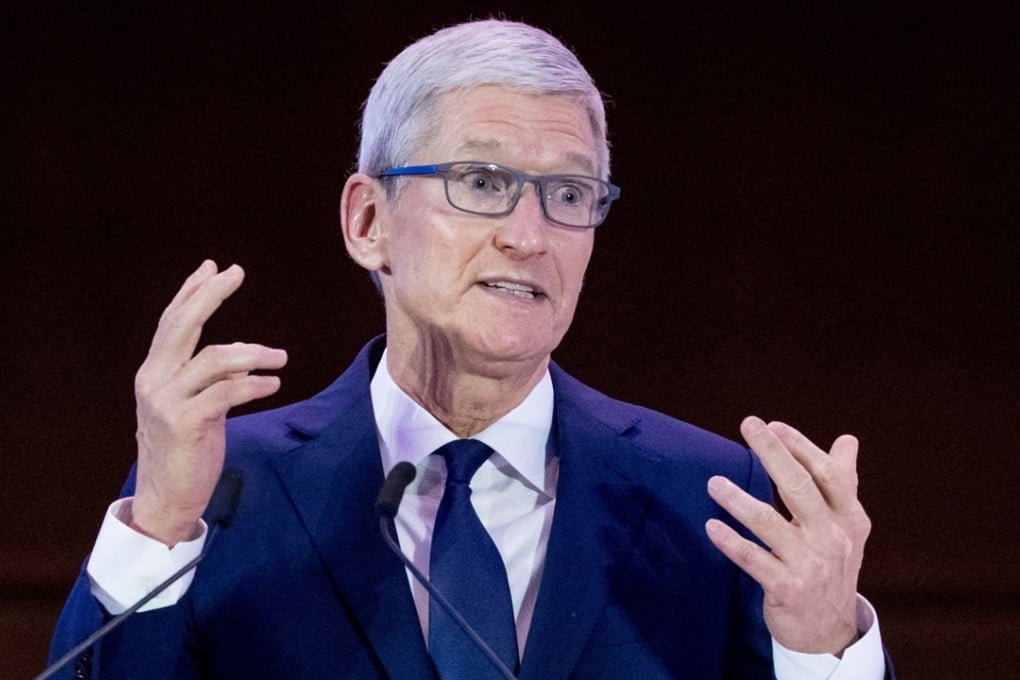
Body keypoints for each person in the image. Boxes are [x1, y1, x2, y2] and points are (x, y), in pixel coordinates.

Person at [48, 19, 889, 679]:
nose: (529, 236)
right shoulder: (221, 489)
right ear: (368, 221)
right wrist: (156, 528)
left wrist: (824, 650)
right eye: (482, 183)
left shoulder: (712, 501)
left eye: (568, 193)